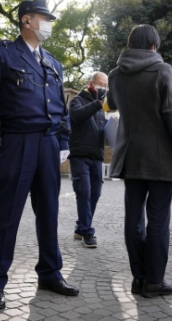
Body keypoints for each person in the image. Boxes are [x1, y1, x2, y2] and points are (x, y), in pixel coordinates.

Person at [0, 0, 78, 310]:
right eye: (44, 18)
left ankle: (50, 272)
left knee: (49, 212)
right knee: (6, 215)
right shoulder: (3, 52)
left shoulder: (53, 63)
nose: (49, 24)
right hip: (17, 141)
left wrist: (63, 139)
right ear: (27, 20)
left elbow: (61, 106)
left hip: (47, 143)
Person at [106, 25, 172, 298]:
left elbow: (111, 103)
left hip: (128, 155)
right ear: (153, 46)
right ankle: (154, 281)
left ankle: (139, 278)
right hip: (158, 158)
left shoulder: (115, 74)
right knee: (158, 219)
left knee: (133, 218)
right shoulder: (162, 70)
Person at [69, 72, 108, 249]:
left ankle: (80, 227)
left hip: (96, 156)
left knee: (96, 193)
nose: (104, 88)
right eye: (101, 84)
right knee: (83, 192)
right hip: (80, 155)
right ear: (90, 84)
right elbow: (77, 116)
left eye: (106, 86)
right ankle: (87, 231)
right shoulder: (77, 100)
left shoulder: (102, 108)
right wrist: (97, 104)